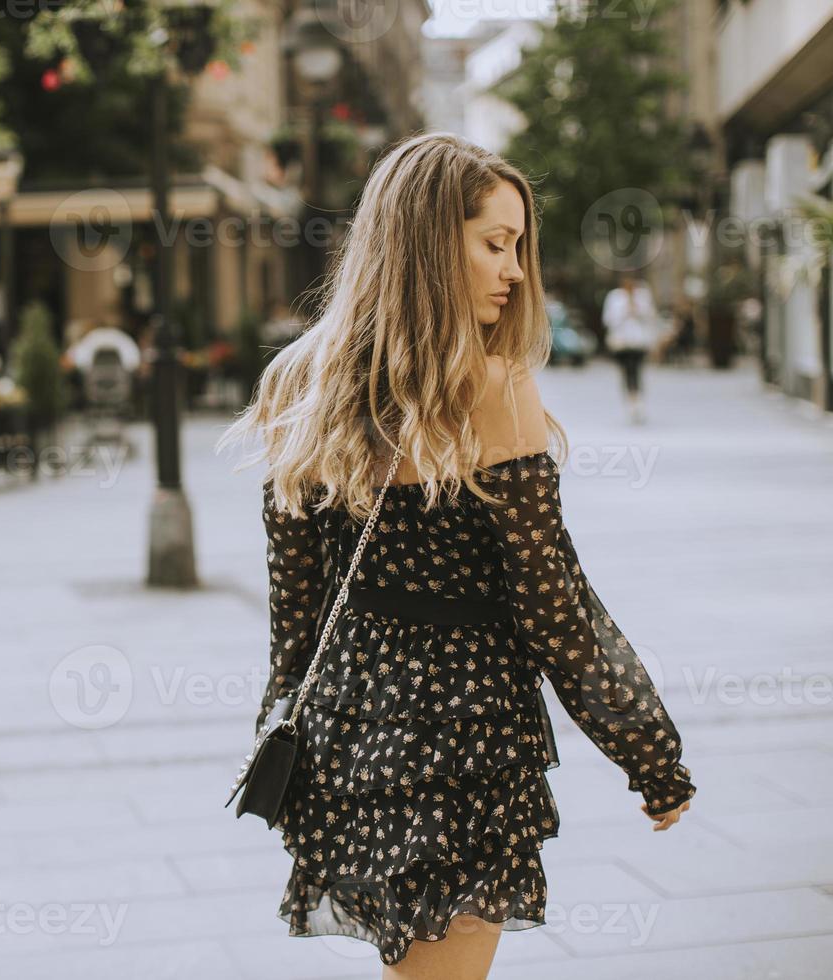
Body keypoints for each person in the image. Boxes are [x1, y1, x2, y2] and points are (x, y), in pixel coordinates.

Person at [216, 133, 696, 977]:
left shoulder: (299, 379)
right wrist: (651, 754)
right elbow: (557, 608)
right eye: (494, 244)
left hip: (349, 732)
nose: (514, 271)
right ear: (431, 246)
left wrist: (281, 724)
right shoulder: (494, 386)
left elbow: (296, 604)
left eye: (518, 247)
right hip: (464, 735)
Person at [601, 274, 664, 424]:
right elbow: (608, 319)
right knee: (627, 371)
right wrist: (625, 312)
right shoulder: (614, 297)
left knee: (636, 369)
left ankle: (637, 401)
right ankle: (631, 400)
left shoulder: (642, 296)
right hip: (622, 342)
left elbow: (651, 316)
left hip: (638, 341)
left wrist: (637, 310)